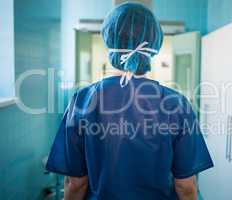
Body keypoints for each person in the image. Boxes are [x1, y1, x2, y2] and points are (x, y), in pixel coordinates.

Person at [46, 2, 213, 200]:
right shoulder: (176, 104)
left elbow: (75, 183)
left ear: (111, 44)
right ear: (153, 46)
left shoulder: (83, 100)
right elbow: (186, 186)